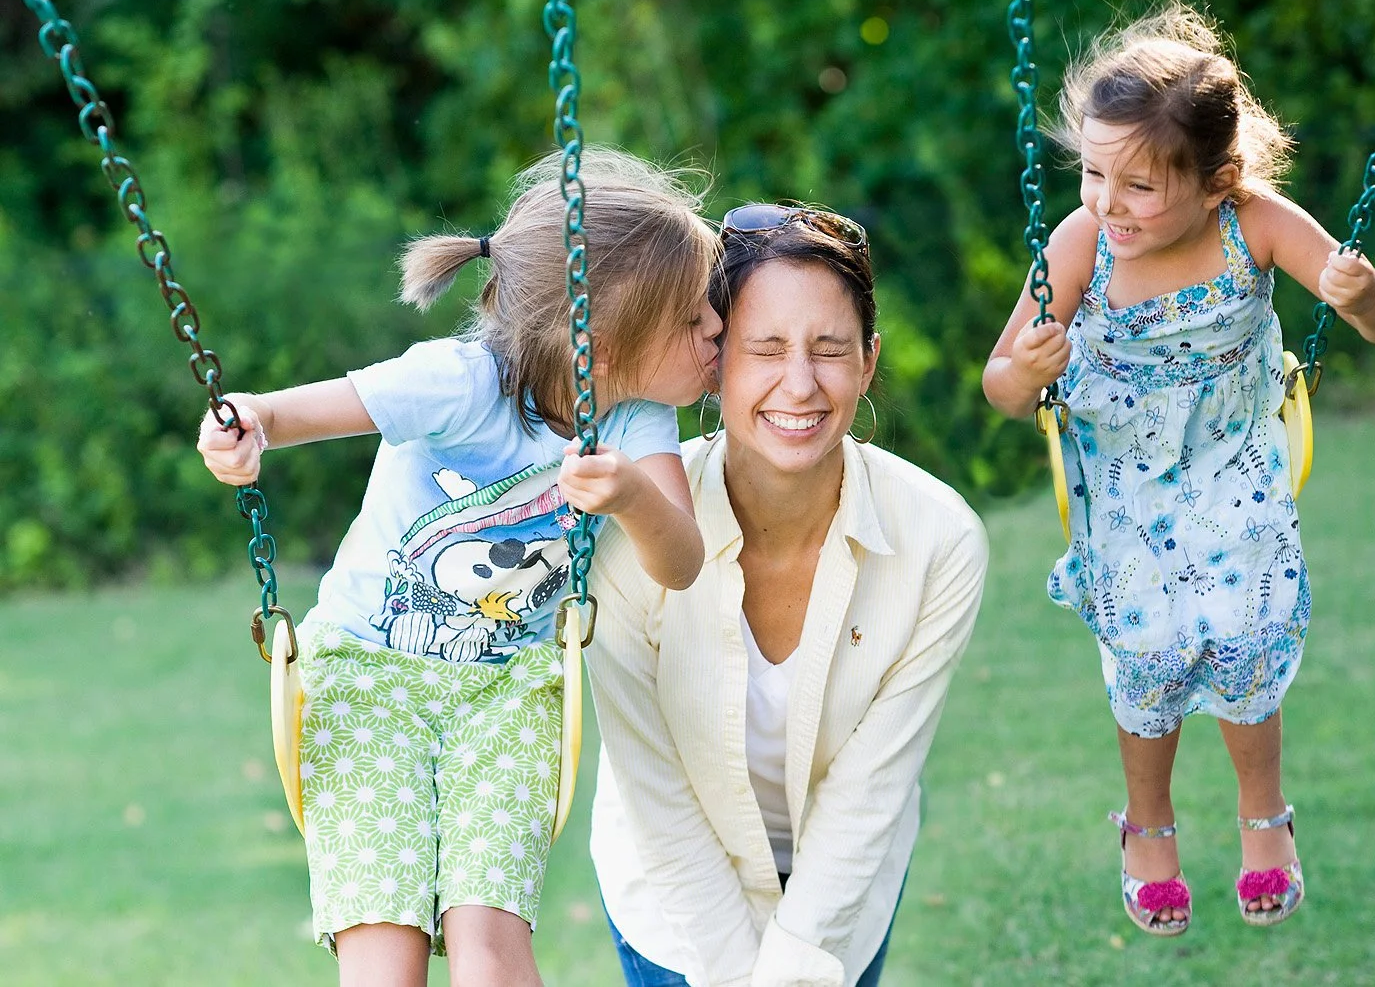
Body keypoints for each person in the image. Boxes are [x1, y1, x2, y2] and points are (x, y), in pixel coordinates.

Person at [196, 149, 722, 986]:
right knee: (385, 944)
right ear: (609, 336)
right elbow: (289, 414)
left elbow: (682, 560)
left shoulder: (639, 423)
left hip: (506, 693)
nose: (717, 334)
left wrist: (630, 497)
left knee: (488, 939)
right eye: (695, 319)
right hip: (367, 675)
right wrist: (248, 423)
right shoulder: (457, 382)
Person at [982, 4, 1375, 936]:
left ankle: (1265, 818)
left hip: (1233, 467)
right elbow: (999, 385)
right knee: (1148, 655)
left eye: (1138, 184)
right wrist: (1028, 372)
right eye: (1095, 173)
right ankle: (1149, 826)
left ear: (1218, 181)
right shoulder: (1078, 245)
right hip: (1124, 488)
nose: (1108, 201)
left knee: (1245, 632)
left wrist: (1362, 291)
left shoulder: (1251, 225)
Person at [585, 203, 989, 986]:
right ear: (715, 359)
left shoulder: (940, 542)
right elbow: (652, 790)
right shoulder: (631, 530)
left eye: (829, 349)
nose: (798, 384)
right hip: (673, 903)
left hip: (843, 893)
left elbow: (871, 792)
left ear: (868, 361)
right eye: (765, 348)